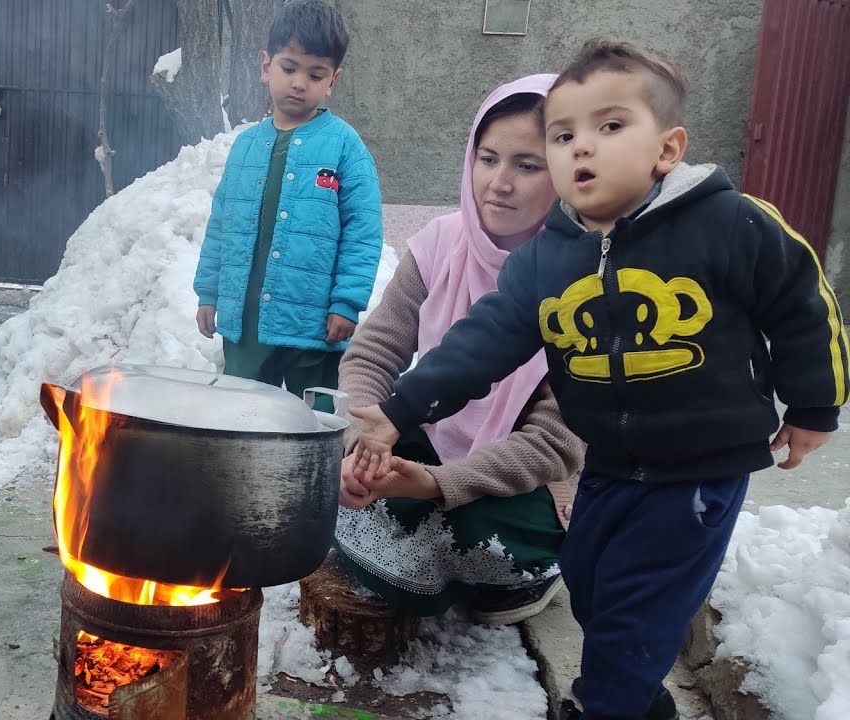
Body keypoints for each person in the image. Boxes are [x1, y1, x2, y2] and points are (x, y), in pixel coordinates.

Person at [348, 38, 849, 720]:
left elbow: (805, 304)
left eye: (609, 125)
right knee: (590, 581)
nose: (581, 146)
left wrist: (816, 405)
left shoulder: (730, 224)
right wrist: (399, 409)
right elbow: (482, 342)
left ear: (667, 149)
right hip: (610, 463)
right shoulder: (549, 259)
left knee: (638, 609)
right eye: (562, 135)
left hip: (699, 469)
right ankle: (641, 701)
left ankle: (606, 706)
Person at [335, 74, 585, 626]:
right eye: (487, 158)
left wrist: (438, 485)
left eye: (528, 165)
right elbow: (373, 354)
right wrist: (365, 444)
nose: (499, 183)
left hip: (527, 476)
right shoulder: (441, 245)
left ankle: (532, 576)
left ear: (568, 172)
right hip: (433, 434)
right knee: (334, 476)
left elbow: (552, 443)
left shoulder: (583, 285)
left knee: (462, 531)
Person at [194, 0, 382, 406]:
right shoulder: (245, 146)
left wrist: (346, 303)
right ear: (267, 66)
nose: (299, 83)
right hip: (245, 322)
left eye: (315, 74)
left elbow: (363, 231)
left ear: (332, 80)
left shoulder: (345, 146)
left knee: (316, 421)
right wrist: (208, 291)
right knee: (241, 414)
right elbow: (221, 224)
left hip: (312, 325)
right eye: (289, 68)